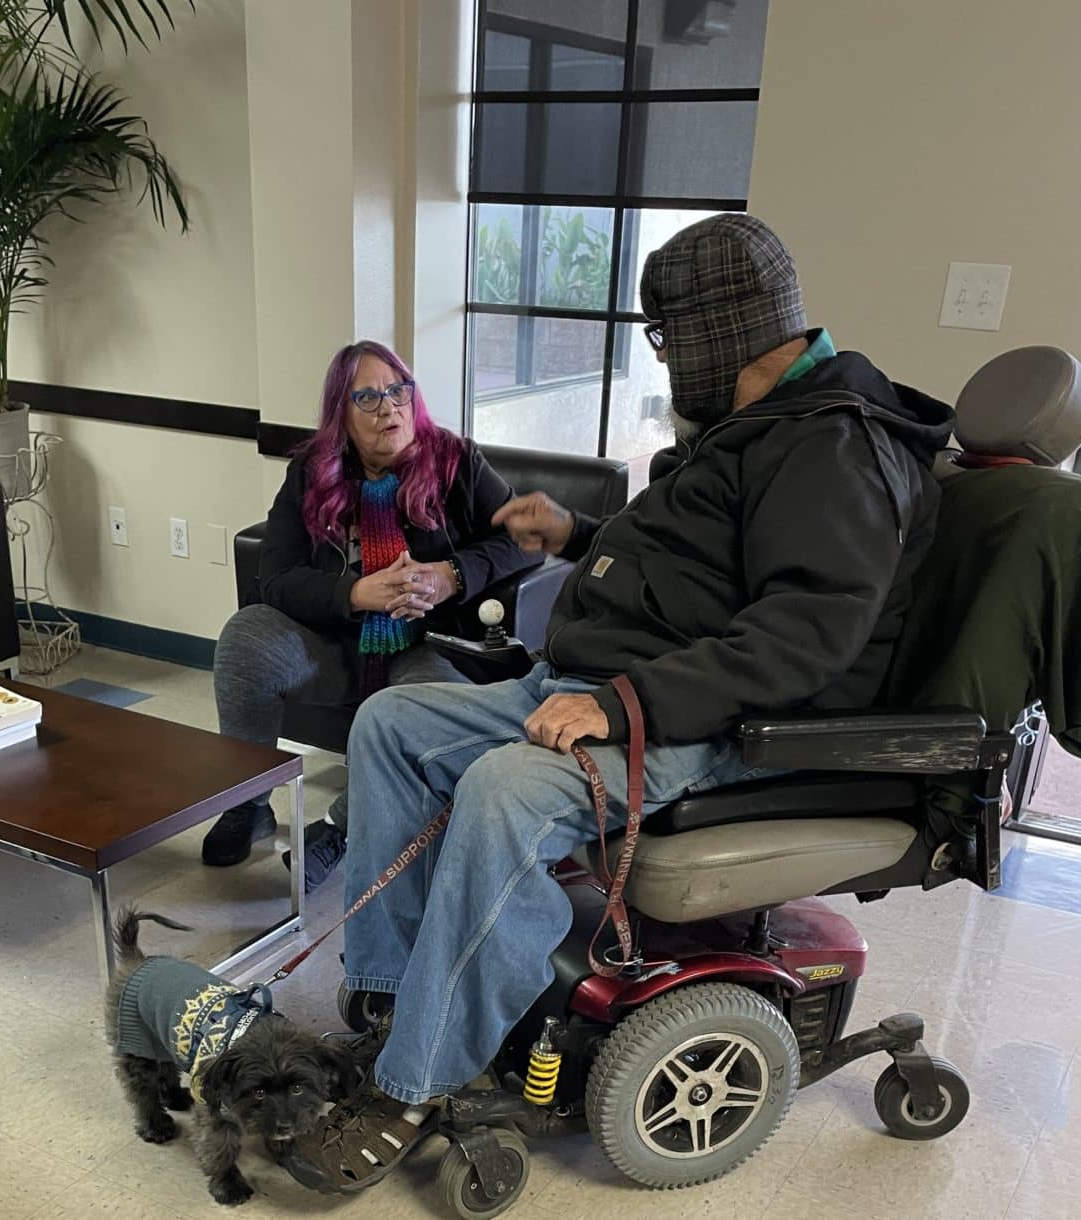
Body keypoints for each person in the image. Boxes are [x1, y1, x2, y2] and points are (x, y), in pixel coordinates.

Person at [285, 214, 957, 1190]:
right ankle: (393, 995)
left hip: (716, 719)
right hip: (604, 679)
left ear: (722, 332)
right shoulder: (754, 428)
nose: (663, 357)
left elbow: (805, 631)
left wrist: (622, 701)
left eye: (665, 336)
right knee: (390, 721)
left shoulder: (834, 445)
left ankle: (417, 1076)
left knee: (508, 789)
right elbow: (699, 570)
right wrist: (579, 535)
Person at [204, 341, 539, 891]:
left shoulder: (455, 460)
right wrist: (357, 592)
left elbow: (523, 541)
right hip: (336, 639)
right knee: (246, 638)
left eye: (398, 390)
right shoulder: (312, 472)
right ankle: (247, 800)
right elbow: (278, 574)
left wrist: (449, 575)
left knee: (417, 715)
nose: (390, 409)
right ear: (342, 414)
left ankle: (341, 830)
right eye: (368, 397)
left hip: (427, 643)